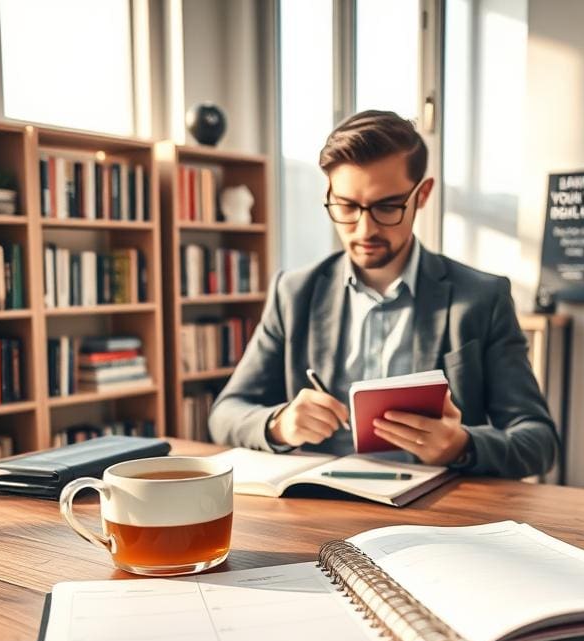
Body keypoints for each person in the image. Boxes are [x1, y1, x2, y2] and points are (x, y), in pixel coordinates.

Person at [208, 110, 558, 478]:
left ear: (422, 195)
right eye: (346, 206)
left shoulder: (482, 298)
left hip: (434, 510)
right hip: (317, 504)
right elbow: (225, 413)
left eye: (387, 207)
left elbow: (538, 442)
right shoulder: (294, 293)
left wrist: (461, 445)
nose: (364, 228)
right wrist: (279, 423)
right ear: (328, 194)